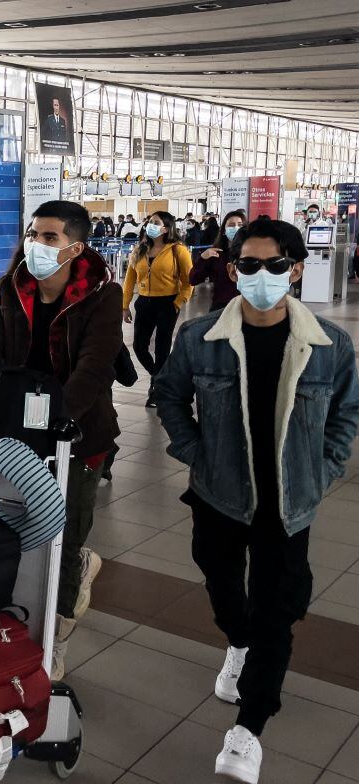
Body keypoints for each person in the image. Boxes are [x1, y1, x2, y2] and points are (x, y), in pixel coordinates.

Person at [153, 216, 359, 784]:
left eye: (273, 265)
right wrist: (195, 451)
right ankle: (237, 640)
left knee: (277, 608)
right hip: (219, 494)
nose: (260, 275)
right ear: (232, 268)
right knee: (222, 584)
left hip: (289, 501)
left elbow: (346, 412)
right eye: (248, 265)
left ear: (294, 269)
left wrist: (325, 467)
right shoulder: (199, 339)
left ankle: (248, 727)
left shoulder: (329, 343)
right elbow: (168, 395)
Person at [0, 200, 122, 680]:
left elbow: (95, 367)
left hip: (77, 432)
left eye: (50, 237)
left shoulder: (101, 295)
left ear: (76, 247)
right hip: (14, 426)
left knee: (64, 536)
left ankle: (57, 633)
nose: (37, 244)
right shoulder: (11, 289)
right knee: (4, 522)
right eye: (34, 234)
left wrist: (57, 422)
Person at [122, 211, 193, 407]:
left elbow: (189, 280)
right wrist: (125, 305)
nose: (149, 225)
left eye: (155, 222)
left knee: (162, 347)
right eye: (149, 222)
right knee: (139, 346)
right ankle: (161, 378)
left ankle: (156, 389)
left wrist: (179, 301)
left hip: (167, 303)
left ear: (165, 228)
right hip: (144, 302)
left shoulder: (177, 250)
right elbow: (129, 280)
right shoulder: (140, 250)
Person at [191, 210, 245, 312]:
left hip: (247, 307)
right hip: (221, 308)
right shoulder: (216, 254)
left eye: (240, 225)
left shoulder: (252, 254)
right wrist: (202, 258)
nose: (236, 228)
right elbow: (193, 279)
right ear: (224, 230)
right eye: (231, 225)